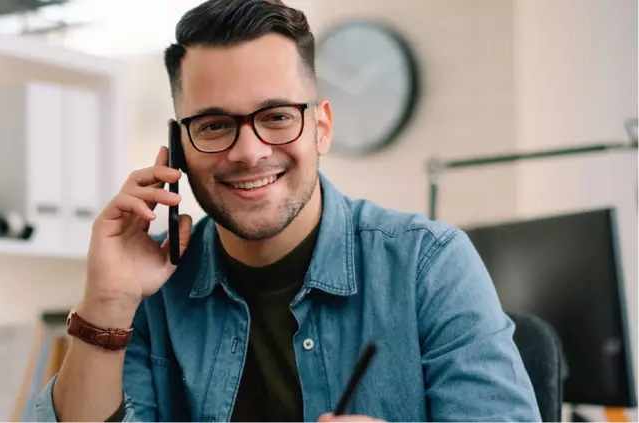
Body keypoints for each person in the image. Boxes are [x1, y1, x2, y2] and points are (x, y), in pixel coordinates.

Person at [34, 0, 542, 422]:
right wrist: (107, 300)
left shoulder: (428, 264)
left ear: (321, 127)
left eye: (276, 116)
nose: (249, 152)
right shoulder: (153, 290)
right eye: (213, 125)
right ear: (179, 145)